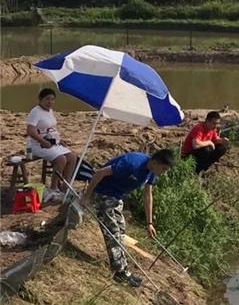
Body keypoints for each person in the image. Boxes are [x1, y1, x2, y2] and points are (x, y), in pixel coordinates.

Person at [80, 149, 176, 287]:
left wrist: (149, 223)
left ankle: (124, 269)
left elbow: (148, 195)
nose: (164, 172)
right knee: (113, 233)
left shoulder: (151, 172)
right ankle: (120, 273)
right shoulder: (132, 164)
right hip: (103, 194)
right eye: (164, 169)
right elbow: (100, 173)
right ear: (155, 162)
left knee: (121, 232)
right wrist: (86, 196)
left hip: (117, 198)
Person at [26, 88, 77, 198]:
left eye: (52, 99)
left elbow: (52, 128)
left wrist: (59, 140)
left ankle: (65, 186)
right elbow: (30, 131)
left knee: (72, 157)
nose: (50, 102)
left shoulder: (50, 111)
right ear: (40, 100)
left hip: (51, 142)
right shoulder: (36, 112)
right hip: (37, 145)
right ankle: (53, 188)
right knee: (61, 159)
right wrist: (42, 141)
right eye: (47, 99)